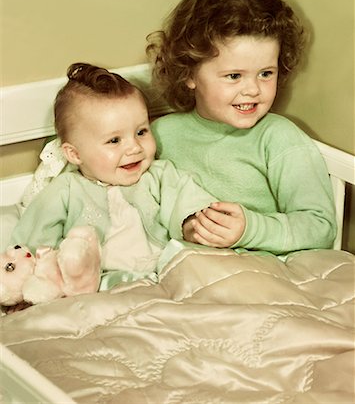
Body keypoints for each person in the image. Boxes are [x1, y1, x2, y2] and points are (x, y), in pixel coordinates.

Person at [146, 0, 336, 255]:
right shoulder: (159, 135)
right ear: (189, 74)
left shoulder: (279, 138)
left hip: (261, 273)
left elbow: (320, 226)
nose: (253, 90)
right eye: (234, 76)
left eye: (266, 73)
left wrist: (251, 229)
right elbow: (143, 203)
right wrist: (186, 226)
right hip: (188, 268)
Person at [8, 63, 216, 288]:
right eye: (114, 140)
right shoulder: (66, 189)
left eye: (141, 132)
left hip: (164, 270)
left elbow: (186, 200)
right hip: (98, 282)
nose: (134, 148)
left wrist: (193, 224)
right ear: (75, 154)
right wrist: (30, 278)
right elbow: (35, 236)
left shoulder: (159, 176)